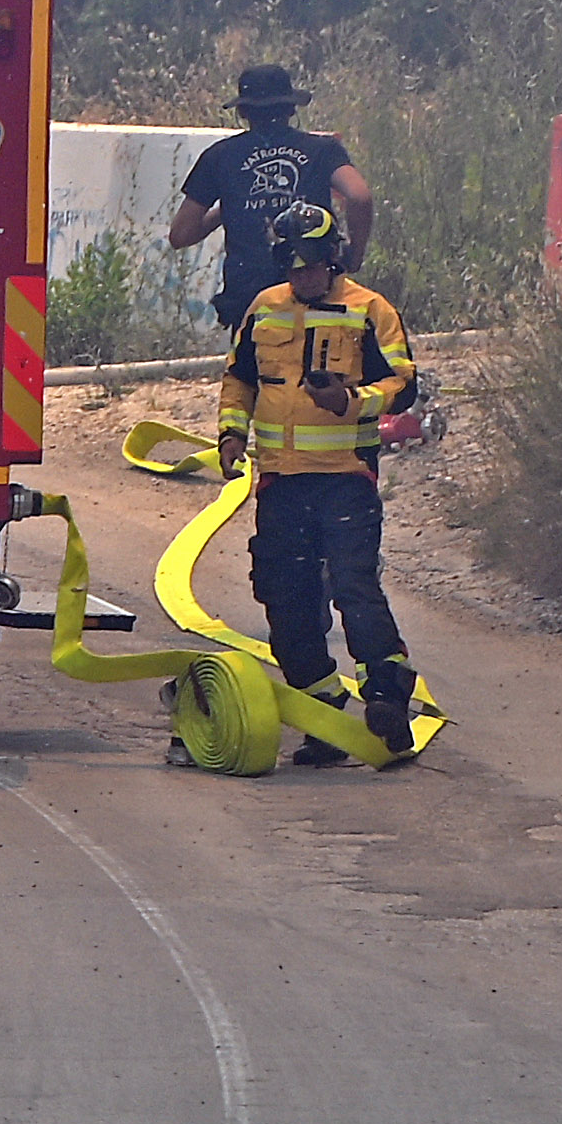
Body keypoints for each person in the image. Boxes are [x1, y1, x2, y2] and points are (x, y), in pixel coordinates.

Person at [215, 200, 426, 767]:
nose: (304, 275)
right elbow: (239, 380)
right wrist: (231, 436)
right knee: (286, 599)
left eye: (312, 264)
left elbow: (403, 385)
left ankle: (387, 700)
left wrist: (351, 400)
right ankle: (323, 715)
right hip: (280, 483)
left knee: (355, 589)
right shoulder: (264, 309)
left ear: (334, 258)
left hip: (345, 481)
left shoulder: (369, 311)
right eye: (293, 265)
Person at [173, 63, 375, 328]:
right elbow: (359, 196)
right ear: (292, 108)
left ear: (243, 111)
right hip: (314, 287)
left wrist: (228, 209)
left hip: (251, 297)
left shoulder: (219, 157)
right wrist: (354, 255)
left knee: (255, 367)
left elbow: (181, 235)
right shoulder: (323, 149)